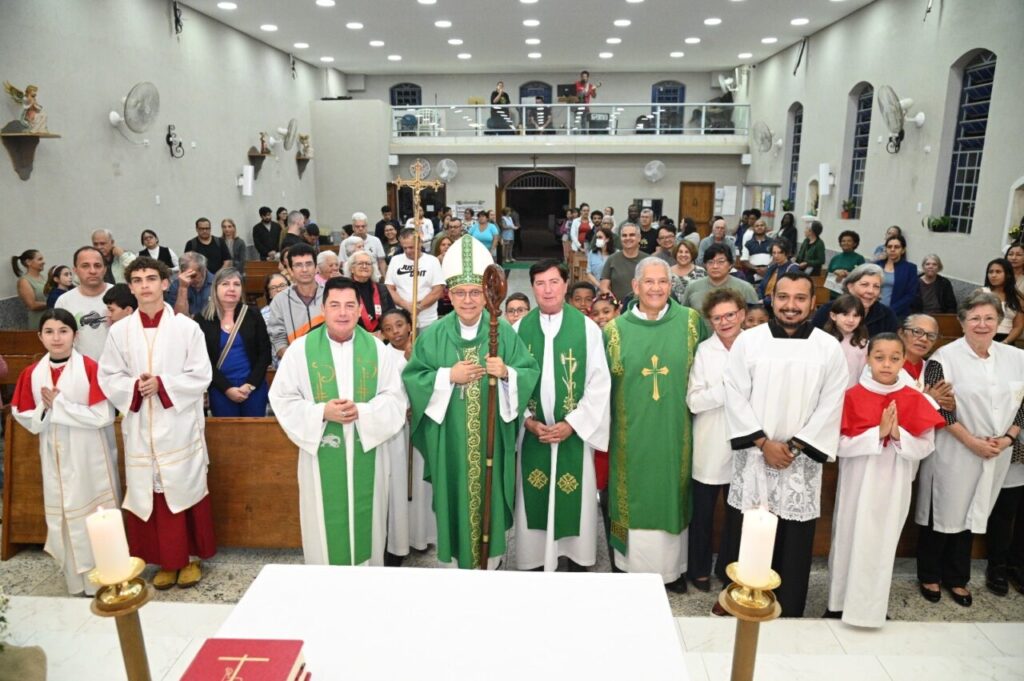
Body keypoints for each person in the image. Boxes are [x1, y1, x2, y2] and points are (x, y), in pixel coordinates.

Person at [402, 236, 539, 569]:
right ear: (448, 295)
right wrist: (448, 376)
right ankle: (455, 563)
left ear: (486, 294)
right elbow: (414, 377)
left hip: (492, 443)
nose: (467, 300)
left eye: (475, 292)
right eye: (460, 293)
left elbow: (528, 370)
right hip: (450, 441)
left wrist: (506, 372)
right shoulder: (433, 334)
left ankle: (491, 561)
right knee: (454, 495)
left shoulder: (503, 332)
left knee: (489, 501)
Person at [723, 272, 848, 617]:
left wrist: (792, 446)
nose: (790, 305)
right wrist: (764, 443)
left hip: (800, 460)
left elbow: (832, 401)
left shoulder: (828, 347)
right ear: (771, 298)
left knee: (794, 537)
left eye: (799, 298)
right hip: (755, 456)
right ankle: (738, 598)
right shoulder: (749, 341)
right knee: (747, 529)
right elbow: (733, 393)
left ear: (813, 303)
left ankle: (789, 606)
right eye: (783, 297)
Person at [269, 278, 408, 566]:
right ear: (323, 308)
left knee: (367, 528)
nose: (342, 313)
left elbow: (396, 399)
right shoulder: (300, 350)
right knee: (323, 526)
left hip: (368, 452)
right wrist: (321, 413)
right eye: (335, 305)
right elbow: (282, 399)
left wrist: (362, 412)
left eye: (349, 305)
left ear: (360, 310)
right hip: (320, 456)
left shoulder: (377, 349)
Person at [99, 256, 216, 590]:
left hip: (177, 424)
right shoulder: (119, 332)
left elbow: (200, 374)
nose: (145, 285)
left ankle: (189, 559)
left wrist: (162, 384)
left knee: (183, 488)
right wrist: (135, 387)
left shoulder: (186, 327)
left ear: (166, 283)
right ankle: (165, 561)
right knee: (148, 493)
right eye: (137, 280)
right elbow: (109, 375)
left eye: (152, 278)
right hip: (140, 425)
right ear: (131, 287)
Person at [826, 333, 945, 627]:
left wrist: (896, 434)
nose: (887, 364)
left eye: (894, 358)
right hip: (857, 481)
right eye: (879, 357)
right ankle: (837, 603)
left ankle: (870, 607)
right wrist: (875, 434)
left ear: (904, 360)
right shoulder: (851, 396)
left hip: (894, 483)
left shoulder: (914, 399)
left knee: (880, 543)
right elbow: (837, 445)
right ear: (868, 359)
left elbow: (926, 446)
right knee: (848, 537)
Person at [604, 256, 708, 590]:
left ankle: (671, 571)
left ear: (671, 285)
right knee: (633, 495)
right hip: (629, 436)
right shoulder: (615, 331)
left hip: (675, 432)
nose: (656, 288)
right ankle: (628, 566)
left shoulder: (691, 324)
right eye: (648, 282)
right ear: (635, 286)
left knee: (671, 494)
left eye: (662, 282)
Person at [915, 290, 1024, 607]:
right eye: (974, 318)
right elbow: (939, 407)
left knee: (972, 514)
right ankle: (930, 574)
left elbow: (1022, 403)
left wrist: (1007, 438)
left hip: (996, 450)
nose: (982, 324)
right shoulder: (943, 358)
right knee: (943, 512)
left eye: (989, 317)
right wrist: (970, 440)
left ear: (999, 321)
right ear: (962, 321)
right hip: (955, 449)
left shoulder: (1016, 358)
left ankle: (957, 578)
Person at [11, 309, 120, 595]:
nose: (56, 337)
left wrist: (59, 407)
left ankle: (108, 576)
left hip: (89, 456)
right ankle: (76, 581)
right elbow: (23, 415)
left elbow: (103, 415)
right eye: (49, 331)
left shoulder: (90, 368)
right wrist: (46, 409)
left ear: (76, 335)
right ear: (40, 337)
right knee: (64, 513)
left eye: (63, 331)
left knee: (95, 515)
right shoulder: (32, 374)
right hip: (55, 456)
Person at [514, 259, 611, 571]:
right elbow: (508, 383)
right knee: (534, 494)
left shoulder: (587, 329)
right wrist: (526, 422)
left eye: (554, 282)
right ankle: (534, 557)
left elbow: (599, 384)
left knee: (574, 493)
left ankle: (575, 555)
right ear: (532, 288)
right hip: (534, 434)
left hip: (573, 435)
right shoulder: (518, 330)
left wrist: (573, 424)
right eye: (540, 283)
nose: (547, 289)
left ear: (566, 284)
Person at [686, 289, 747, 591]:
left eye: (730, 315)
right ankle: (697, 568)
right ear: (710, 321)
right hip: (710, 442)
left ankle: (728, 570)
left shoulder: (756, 347)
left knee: (738, 516)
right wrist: (728, 391)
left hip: (747, 444)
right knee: (703, 513)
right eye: (717, 318)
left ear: (742, 314)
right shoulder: (704, 351)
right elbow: (694, 401)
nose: (724, 322)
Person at [378, 307, 437, 565]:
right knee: (399, 483)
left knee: (420, 484)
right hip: (396, 430)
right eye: (388, 329)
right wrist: (403, 407)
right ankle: (398, 542)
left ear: (410, 325)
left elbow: (433, 381)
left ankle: (420, 536)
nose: (395, 332)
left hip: (420, 427)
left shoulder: (422, 350)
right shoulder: (381, 355)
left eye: (400, 325)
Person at [195, 267, 272, 417]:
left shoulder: (253, 314)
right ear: (215, 288)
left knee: (255, 435)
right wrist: (227, 388)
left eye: (236, 284)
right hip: (220, 387)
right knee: (227, 437)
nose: (231, 288)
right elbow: (203, 360)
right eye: (225, 284)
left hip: (253, 387)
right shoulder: (202, 319)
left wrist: (249, 385)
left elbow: (265, 353)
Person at [267, 243, 325, 359]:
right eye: (298, 265)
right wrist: (294, 362)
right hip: (294, 363)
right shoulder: (279, 300)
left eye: (309, 264)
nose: (304, 270)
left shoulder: (330, 295)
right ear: (290, 270)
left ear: (316, 268)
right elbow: (278, 339)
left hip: (327, 362)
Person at [55, 247, 113, 360]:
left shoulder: (120, 295)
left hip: (115, 370)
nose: (92, 271)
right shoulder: (64, 301)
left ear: (105, 269)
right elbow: (60, 339)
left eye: (97, 265)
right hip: (80, 369)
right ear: (75, 270)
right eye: (85, 266)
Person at [812, 263, 899, 336]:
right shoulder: (828, 310)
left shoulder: (887, 316)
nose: (870, 291)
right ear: (850, 287)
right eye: (864, 284)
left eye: (876, 286)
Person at [385, 228, 444, 331]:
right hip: (402, 320)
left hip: (427, 320)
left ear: (420, 243)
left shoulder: (432, 261)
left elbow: (437, 290)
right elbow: (389, 288)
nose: (408, 251)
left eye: (411, 247)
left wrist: (419, 307)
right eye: (405, 248)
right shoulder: (395, 260)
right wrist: (406, 305)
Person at [682, 243, 759, 317]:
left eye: (721, 262)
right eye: (710, 262)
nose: (715, 266)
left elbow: (756, 317)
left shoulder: (745, 288)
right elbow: (684, 316)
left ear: (730, 265)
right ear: (705, 265)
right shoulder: (692, 287)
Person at [344, 250, 395, 336]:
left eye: (368, 264)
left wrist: (383, 334)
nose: (364, 266)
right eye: (360, 263)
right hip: (355, 338)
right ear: (352, 269)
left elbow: (392, 314)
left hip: (382, 337)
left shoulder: (382, 289)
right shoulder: (345, 290)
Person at [823, 294, 869, 388]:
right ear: (833, 315)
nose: (851, 320)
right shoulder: (823, 342)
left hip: (852, 396)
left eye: (856, 316)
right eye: (845, 314)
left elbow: (864, 375)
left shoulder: (863, 345)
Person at [600, 223, 645, 303]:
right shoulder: (612, 259)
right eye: (624, 235)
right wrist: (615, 304)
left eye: (632, 235)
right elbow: (604, 287)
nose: (627, 238)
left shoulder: (648, 260)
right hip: (619, 310)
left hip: (643, 309)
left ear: (639, 238)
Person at [981, 258, 1023, 344]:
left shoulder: (1017, 298)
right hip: (982, 338)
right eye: (990, 272)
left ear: (1008, 275)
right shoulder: (981, 293)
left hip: (1006, 340)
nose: (993, 275)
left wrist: (1005, 342)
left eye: (998, 272)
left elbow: (1018, 326)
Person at [876, 234, 918, 318]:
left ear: (903, 250)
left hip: (897, 314)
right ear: (885, 249)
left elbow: (911, 295)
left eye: (897, 247)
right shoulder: (877, 266)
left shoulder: (910, 268)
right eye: (889, 247)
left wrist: (890, 310)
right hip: (875, 311)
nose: (892, 249)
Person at [166, 252, 214, 317]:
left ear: (204, 269)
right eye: (186, 276)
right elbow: (178, 317)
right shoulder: (176, 285)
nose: (189, 280)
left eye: (193, 276)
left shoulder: (217, 283)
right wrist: (183, 288)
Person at [759, 240, 801, 308]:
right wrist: (760, 299)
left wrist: (765, 301)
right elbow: (761, 286)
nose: (776, 255)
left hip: (781, 306)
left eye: (780, 252)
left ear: (786, 253)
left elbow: (786, 292)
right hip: (765, 304)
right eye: (774, 253)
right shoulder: (772, 267)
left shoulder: (792, 269)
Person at [12, 249, 47, 329]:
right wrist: (52, 302)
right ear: (28, 262)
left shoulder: (43, 278)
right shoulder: (24, 281)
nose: (44, 262)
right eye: (40, 259)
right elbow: (32, 305)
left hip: (50, 319)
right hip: (38, 321)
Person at [351, 212, 388, 278]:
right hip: (353, 280)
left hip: (374, 278)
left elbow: (381, 262)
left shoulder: (376, 240)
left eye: (363, 226)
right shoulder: (345, 243)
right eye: (357, 226)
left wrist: (385, 278)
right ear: (353, 227)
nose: (360, 228)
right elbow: (343, 264)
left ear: (367, 226)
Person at [669, 240, 706, 305]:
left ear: (692, 254)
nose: (683, 255)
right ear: (676, 253)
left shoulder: (701, 272)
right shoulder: (667, 272)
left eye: (687, 252)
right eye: (680, 252)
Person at [740, 218, 774, 283]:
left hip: (769, 272)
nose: (759, 227)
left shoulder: (772, 242)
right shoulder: (748, 244)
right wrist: (756, 269)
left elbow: (776, 258)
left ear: (766, 227)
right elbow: (744, 261)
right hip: (752, 273)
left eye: (762, 225)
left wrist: (767, 268)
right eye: (757, 226)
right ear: (753, 228)